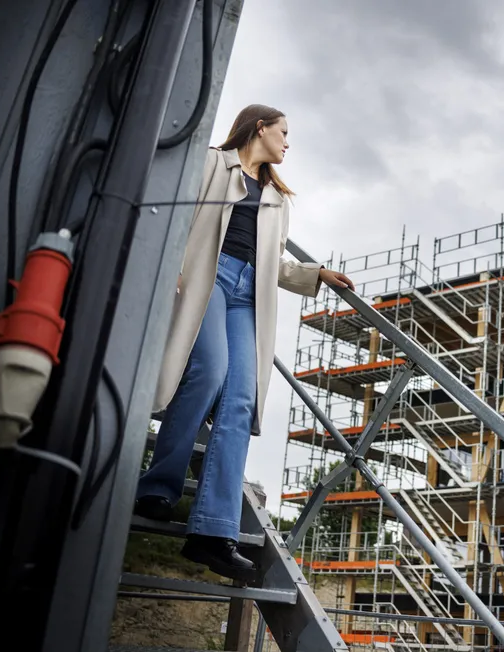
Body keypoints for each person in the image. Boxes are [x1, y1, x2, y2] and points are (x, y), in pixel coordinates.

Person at [134, 104, 353, 580]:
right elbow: (179, 215)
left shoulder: (277, 197)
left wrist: (318, 274)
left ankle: (212, 532)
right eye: (284, 133)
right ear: (260, 128)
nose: (287, 143)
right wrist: (169, 264)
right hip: (207, 278)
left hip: (247, 293)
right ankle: (159, 486)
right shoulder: (213, 163)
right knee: (208, 372)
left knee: (239, 399)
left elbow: (275, 263)